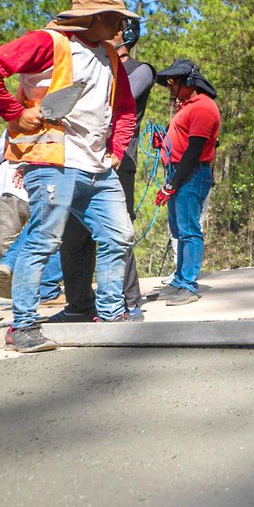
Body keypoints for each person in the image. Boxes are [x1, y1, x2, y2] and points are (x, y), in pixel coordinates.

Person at [0, 0, 138, 352]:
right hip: (53, 161)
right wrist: (15, 113)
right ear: (93, 17)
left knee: (119, 236)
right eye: (116, 17)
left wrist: (117, 150)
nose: (122, 25)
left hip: (98, 167)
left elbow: (125, 108)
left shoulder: (110, 55)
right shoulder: (48, 42)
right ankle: (23, 327)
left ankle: (112, 316)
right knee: (43, 239)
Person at [52, 26, 155, 322]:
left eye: (114, 26)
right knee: (73, 235)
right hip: (78, 158)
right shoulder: (88, 64)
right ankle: (80, 304)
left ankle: (128, 302)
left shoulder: (140, 70)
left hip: (117, 160)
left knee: (116, 232)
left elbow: (112, 104)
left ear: (125, 35)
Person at [153, 59, 221, 306]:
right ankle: (179, 280)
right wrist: (163, 142)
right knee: (179, 229)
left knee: (189, 229)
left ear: (190, 82)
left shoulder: (203, 107)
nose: (170, 88)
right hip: (180, 172)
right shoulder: (187, 107)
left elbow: (194, 151)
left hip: (191, 174)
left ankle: (188, 285)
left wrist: (172, 183)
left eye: (174, 83)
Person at [0, 132, 64, 305]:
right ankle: (42, 288)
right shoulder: (53, 126)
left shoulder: (15, 128)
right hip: (42, 183)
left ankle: (16, 278)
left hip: (9, 187)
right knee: (52, 235)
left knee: (8, 243)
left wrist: (9, 162)